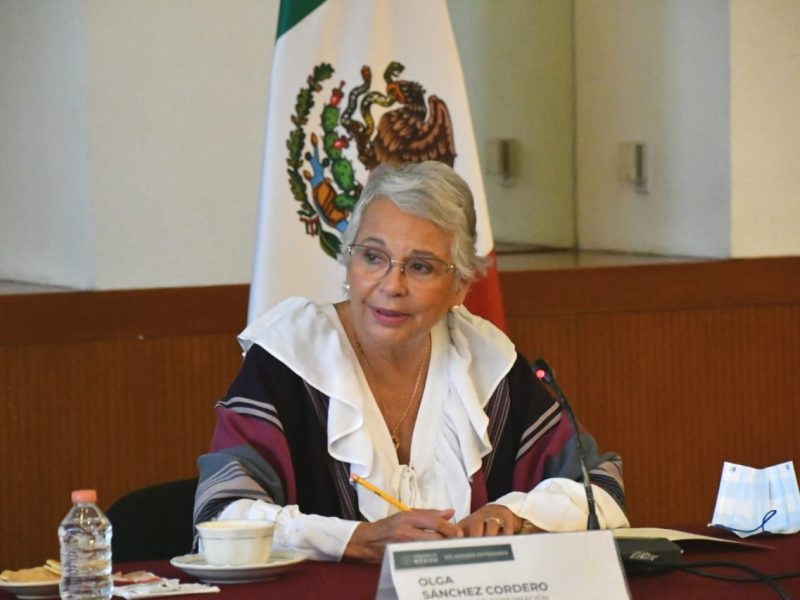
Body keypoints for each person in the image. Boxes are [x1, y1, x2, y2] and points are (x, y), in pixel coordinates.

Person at [194, 161, 629, 563]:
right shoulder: (288, 360)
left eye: (420, 267)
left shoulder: (486, 363)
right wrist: (353, 540)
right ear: (348, 261)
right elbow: (221, 516)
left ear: (459, 286)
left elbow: (601, 490)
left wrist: (514, 515)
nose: (391, 285)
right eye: (373, 257)